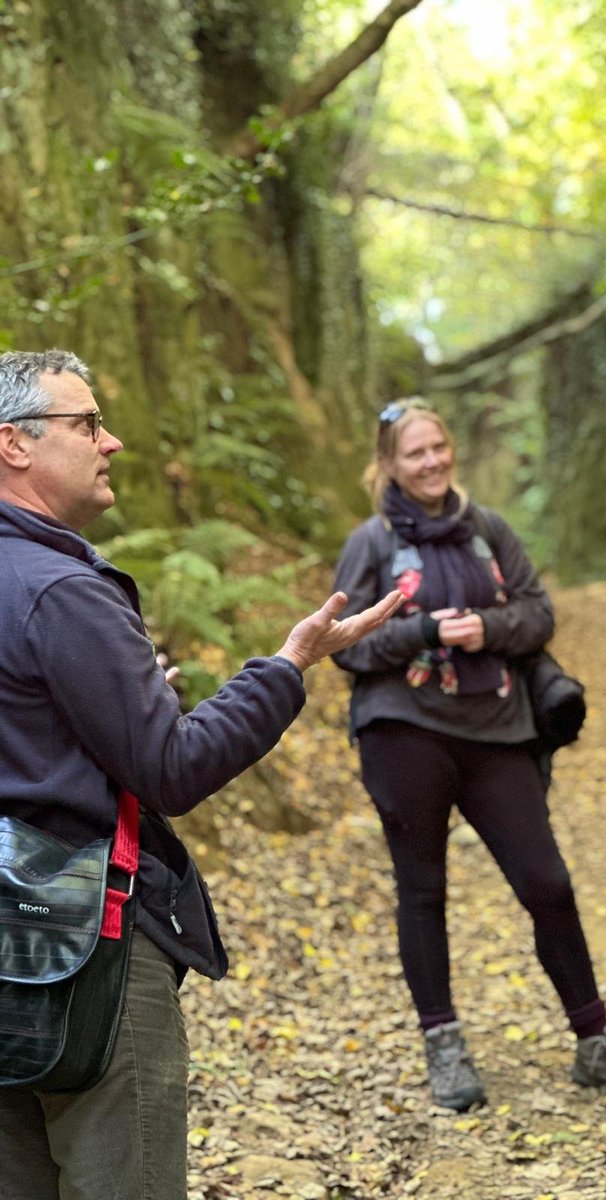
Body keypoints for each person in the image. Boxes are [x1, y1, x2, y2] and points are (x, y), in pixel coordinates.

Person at [0, 349, 401, 1200]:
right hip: (85, 956)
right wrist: (289, 666)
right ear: (15, 445)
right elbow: (173, 769)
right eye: (88, 424)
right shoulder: (62, 592)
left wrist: (121, 703)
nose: (113, 444)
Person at [332, 397, 606, 1110]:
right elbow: (347, 645)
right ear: (389, 464)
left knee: (548, 883)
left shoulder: (489, 530)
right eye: (415, 453)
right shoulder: (371, 542)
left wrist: (485, 628)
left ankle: (596, 1041)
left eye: (439, 447)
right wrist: (423, 631)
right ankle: (444, 1045)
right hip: (405, 731)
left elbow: (541, 613)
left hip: (497, 730)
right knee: (422, 890)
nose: (432, 462)